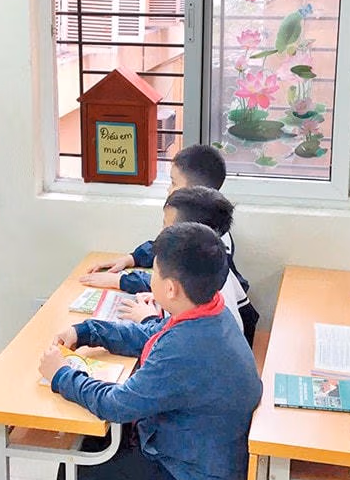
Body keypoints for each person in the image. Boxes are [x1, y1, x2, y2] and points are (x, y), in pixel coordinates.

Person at [39, 222, 262, 480]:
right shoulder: (213, 311)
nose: (150, 278)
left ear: (171, 289)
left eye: (154, 272)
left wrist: (61, 375)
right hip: (203, 453)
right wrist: (86, 331)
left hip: (187, 473)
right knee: (92, 443)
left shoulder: (182, 349)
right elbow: (152, 333)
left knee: (76, 467)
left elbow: (115, 405)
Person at [81, 145, 261, 345]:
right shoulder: (207, 240)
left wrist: (146, 315)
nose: (168, 189)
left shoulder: (209, 267)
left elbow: (174, 336)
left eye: (173, 182)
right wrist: (132, 259)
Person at [116, 186, 243, 331]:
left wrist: (148, 319)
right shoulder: (206, 268)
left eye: (166, 226)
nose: (161, 233)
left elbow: (180, 335)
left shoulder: (219, 293)